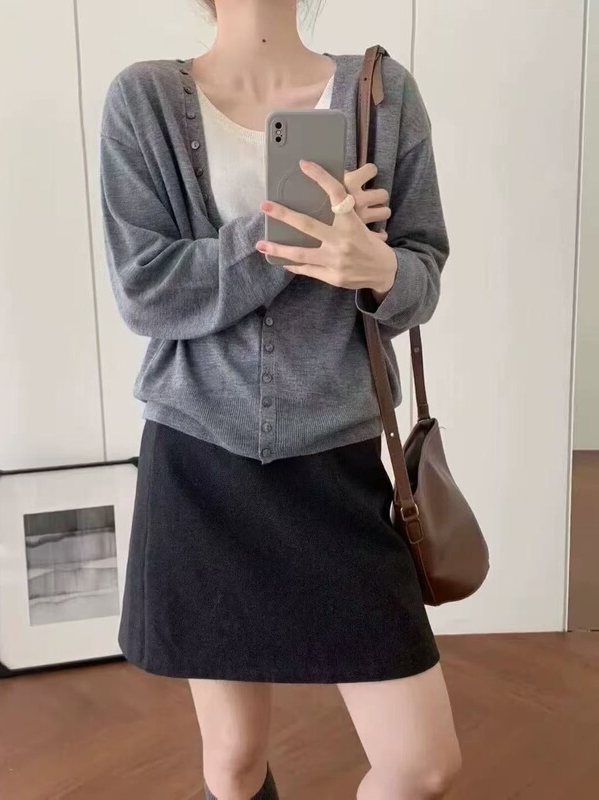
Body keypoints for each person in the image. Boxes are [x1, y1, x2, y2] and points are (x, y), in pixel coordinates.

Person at [99, 1, 461, 798]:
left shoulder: (382, 95)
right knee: (233, 760)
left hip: (338, 468)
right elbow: (145, 290)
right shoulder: (144, 100)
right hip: (200, 464)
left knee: (423, 765)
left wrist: (379, 269)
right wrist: (286, 240)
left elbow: (423, 273)